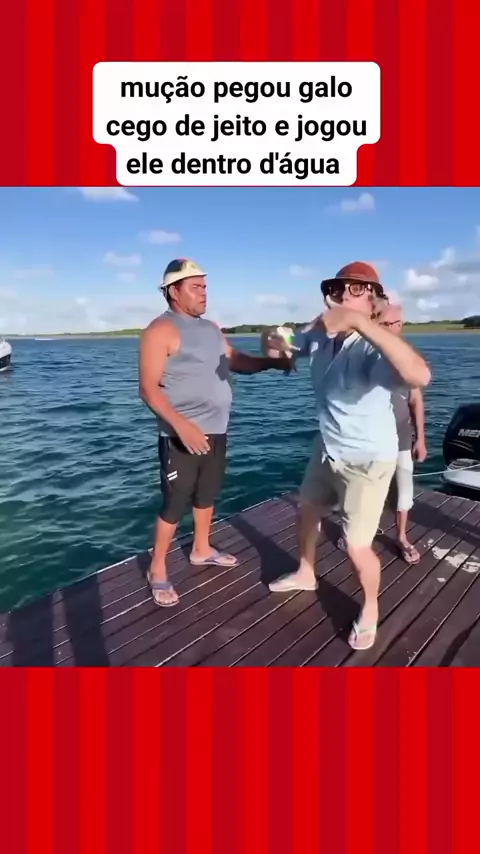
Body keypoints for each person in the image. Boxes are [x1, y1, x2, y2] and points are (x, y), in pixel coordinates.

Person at [266, 261, 431, 650]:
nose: (342, 295)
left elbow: (419, 376)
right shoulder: (322, 338)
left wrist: (358, 323)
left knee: (357, 546)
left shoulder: (372, 351)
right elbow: (278, 338)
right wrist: (275, 342)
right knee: (307, 510)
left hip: (368, 460)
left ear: (374, 302)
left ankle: (370, 608)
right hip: (328, 448)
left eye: (356, 289)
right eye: (337, 289)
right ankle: (306, 572)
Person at [138, 258, 291, 606]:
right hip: (180, 434)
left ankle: (201, 549)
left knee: (207, 494)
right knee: (175, 502)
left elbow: (235, 360)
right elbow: (147, 388)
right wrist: (181, 425)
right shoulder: (159, 330)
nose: (204, 293)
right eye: (196, 287)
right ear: (173, 291)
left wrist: (272, 362)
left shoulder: (210, 329)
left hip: (217, 429)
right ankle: (157, 567)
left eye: (205, 286)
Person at [378, 302, 427, 563]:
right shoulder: (364, 354)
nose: (386, 328)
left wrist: (421, 438)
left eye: (391, 324)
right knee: (362, 488)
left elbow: (415, 400)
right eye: (381, 323)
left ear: (400, 325)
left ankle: (401, 537)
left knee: (403, 491)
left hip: (401, 438)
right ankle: (357, 533)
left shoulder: (407, 356)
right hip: (369, 440)